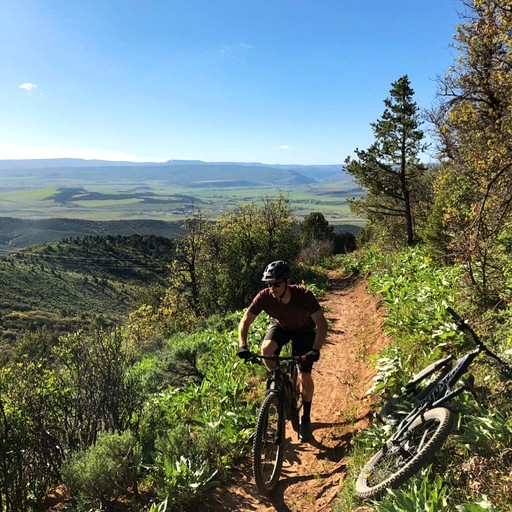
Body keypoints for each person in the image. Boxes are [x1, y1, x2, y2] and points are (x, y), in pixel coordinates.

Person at [237, 260, 328, 442]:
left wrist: (315, 350)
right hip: (283, 327)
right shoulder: (265, 296)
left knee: (305, 375)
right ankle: (280, 381)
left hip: (305, 332)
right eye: (269, 284)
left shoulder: (304, 296)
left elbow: (322, 324)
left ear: (287, 282)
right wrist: (242, 345)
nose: (272, 288)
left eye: (276, 284)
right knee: (266, 348)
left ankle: (306, 418)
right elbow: (245, 321)